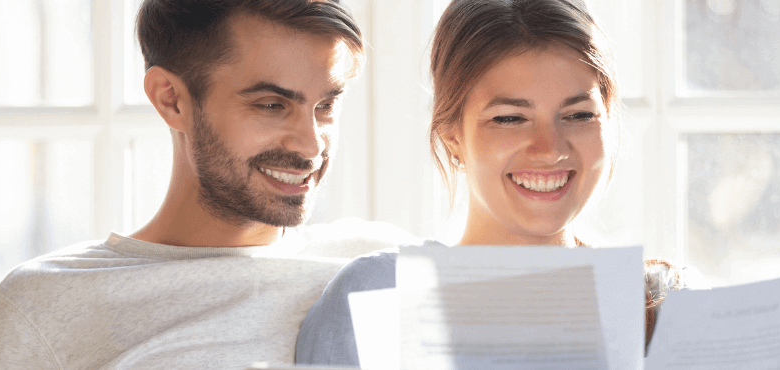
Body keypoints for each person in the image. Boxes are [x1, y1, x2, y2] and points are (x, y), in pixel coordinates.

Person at [0, 1, 399, 369]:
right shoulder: (44, 304)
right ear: (171, 99)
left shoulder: (378, 261)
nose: (309, 146)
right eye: (271, 105)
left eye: (325, 106)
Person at [294, 0, 701, 366]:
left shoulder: (670, 302)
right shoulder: (377, 295)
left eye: (578, 115)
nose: (548, 149)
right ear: (452, 134)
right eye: (509, 118)